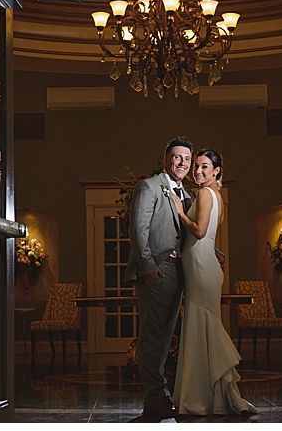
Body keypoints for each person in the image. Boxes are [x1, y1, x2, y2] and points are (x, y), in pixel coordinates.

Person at [170, 149, 257, 415]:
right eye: (196, 166)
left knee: (203, 323)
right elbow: (210, 237)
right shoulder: (217, 195)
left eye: (204, 167)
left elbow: (198, 230)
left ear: (217, 170)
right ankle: (217, 395)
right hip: (203, 262)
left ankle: (204, 397)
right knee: (203, 323)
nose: (197, 171)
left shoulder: (206, 194)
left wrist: (179, 211)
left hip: (200, 266)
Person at [124, 136, 194, 421]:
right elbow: (138, 229)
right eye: (177, 157)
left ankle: (156, 400)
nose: (182, 163)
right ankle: (157, 396)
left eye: (187, 159)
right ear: (166, 158)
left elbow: (189, 231)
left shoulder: (186, 194)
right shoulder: (149, 186)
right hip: (156, 271)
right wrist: (149, 267)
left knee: (165, 339)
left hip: (179, 273)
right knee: (152, 338)